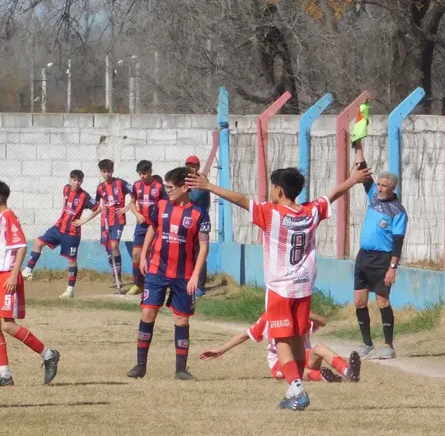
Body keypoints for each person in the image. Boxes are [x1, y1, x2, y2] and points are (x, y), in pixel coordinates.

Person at [187, 165, 369, 411]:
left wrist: (209, 186)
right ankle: (294, 389)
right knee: (297, 343)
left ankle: (297, 389)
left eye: (272, 187)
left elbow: (240, 200)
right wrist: (354, 179)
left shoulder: (271, 213)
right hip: (304, 289)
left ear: (279, 190)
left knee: (282, 343)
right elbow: (333, 195)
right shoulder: (310, 212)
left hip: (281, 289)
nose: (269, 192)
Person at [128, 167, 210, 380]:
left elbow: (203, 247)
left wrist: (195, 276)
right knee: (148, 313)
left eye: (171, 187)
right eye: (166, 187)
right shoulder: (161, 206)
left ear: (185, 187)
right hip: (157, 270)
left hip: (183, 275)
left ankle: (180, 370)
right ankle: (140, 365)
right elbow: (153, 229)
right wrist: (144, 255)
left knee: (181, 320)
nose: (168, 191)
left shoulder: (198, 213)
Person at [0, 180, 61, 387]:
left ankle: (48, 354)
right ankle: (4, 374)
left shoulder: (9, 218)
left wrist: (15, 275)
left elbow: (22, 246)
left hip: (7, 276)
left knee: (7, 324)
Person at [351, 145, 406, 359]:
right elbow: (363, 170)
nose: (380, 188)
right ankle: (366, 343)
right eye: (379, 185)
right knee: (359, 301)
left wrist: (392, 267)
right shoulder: (374, 196)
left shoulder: (398, 211)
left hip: (382, 259)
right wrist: (358, 147)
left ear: (392, 189)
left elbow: (398, 242)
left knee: (382, 301)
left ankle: (388, 345)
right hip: (363, 256)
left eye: (384, 186)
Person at [200, 312, 361, 382]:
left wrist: (306, 313)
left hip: (303, 357)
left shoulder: (300, 314)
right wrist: (220, 350)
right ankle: (325, 377)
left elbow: (323, 322)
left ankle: (348, 372)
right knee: (295, 371)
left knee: (318, 347)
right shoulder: (269, 317)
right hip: (281, 365)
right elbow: (245, 334)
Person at [21, 169, 92, 298]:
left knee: (71, 260)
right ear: (70, 180)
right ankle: (28, 270)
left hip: (72, 232)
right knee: (38, 242)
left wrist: (83, 220)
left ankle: (70, 290)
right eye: (74, 180)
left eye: (79, 181)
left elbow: (98, 207)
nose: (77, 183)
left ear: (82, 181)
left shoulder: (85, 196)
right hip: (59, 228)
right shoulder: (65, 189)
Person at [74, 159, 134, 292]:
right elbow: (96, 205)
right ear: (101, 172)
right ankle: (115, 277)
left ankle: (119, 277)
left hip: (118, 219)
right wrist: (100, 208)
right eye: (104, 172)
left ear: (113, 170)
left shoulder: (120, 183)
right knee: (108, 249)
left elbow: (136, 192)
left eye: (109, 171)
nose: (107, 174)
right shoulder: (100, 187)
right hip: (105, 220)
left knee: (114, 245)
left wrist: (128, 207)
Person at [126, 159, 164, 296]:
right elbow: (131, 203)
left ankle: (152, 284)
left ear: (150, 172)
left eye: (144, 173)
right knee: (136, 255)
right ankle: (137, 284)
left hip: (155, 226)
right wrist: (136, 214)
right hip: (141, 225)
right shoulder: (136, 186)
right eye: (140, 174)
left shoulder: (159, 187)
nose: (142, 176)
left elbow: (165, 205)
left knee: (153, 255)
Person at [185, 155, 211, 297]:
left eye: (194, 165)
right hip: (188, 221)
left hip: (201, 222)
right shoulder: (185, 180)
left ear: (198, 167)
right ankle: (187, 281)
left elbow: (193, 199)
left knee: (200, 253)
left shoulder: (202, 180)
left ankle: (200, 287)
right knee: (187, 252)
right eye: (189, 165)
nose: (191, 168)